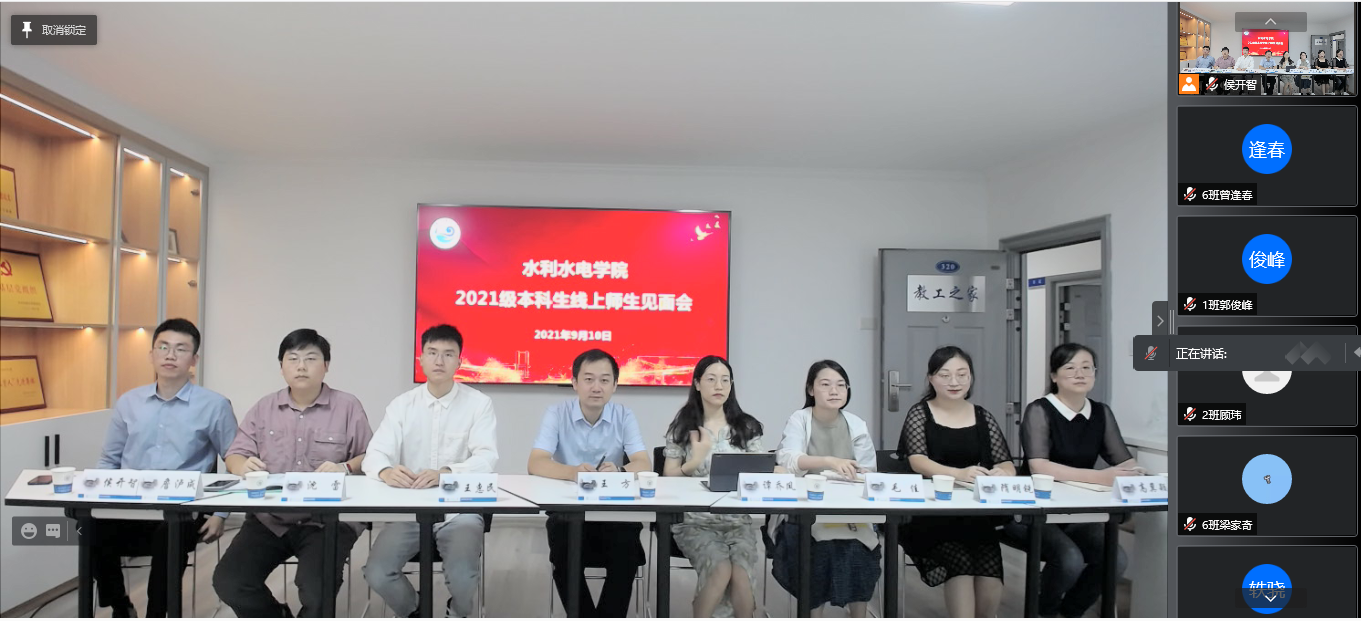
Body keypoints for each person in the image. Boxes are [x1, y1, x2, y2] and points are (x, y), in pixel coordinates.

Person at [214, 329, 373, 618]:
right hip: (270, 518)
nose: (301, 366)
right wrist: (241, 466)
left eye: (311, 358)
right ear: (281, 366)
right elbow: (235, 454)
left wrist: (345, 467)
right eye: (293, 359)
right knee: (230, 581)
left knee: (316, 590)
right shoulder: (265, 408)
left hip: (327, 521)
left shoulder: (347, 406)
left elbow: (371, 456)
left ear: (326, 365)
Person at [92, 318, 238, 618]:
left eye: (181, 349)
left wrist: (220, 514)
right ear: (151, 354)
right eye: (163, 347)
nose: (170, 355)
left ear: (194, 360)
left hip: (183, 510)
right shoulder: (129, 402)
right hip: (130, 505)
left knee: (168, 536)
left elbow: (236, 461)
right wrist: (96, 500)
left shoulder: (214, 405)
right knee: (88, 527)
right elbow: (109, 460)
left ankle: (157, 614)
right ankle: (120, 604)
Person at [362, 324, 498, 618]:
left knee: (463, 577)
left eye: (448, 354)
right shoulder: (402, 405)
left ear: (459, 361)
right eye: (432, 353)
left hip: (460, 510)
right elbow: (374, 454)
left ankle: (456, 611)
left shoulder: (478, 404)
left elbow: (487, 458)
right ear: (421, 359)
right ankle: (415, 609)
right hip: (409, 509)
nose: (439, 361)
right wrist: (385, 471)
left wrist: (448, 472)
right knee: (377, 571)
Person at [1002, 343, 1140, 619]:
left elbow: (1123, 461)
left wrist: (1139, 474)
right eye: (1070, 368)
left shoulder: (1100, 412)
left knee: (1115, 560)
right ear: (1054, 376)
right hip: (1032, 512)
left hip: (1076, 513)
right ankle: (1043, 613)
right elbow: (1039, 466)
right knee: (1069, 559)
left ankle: (1069, 613)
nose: (1080, 374)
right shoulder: (1040, 410)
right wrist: (1101, 477)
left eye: (1087, 368)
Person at [528, 349, 651, 617]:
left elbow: (643, 463)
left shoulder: (624, 415)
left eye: (605, 380)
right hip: (568, 510)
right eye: (589, 379)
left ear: (615, 385)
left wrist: (619, 471)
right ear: (574, 383)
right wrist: (573, 472)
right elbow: (536, 462)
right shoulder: (556, 413)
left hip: (613, 510)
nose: (597, 387)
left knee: (627, 554)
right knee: (564, 555)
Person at [898, 346, 1015, 618]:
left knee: (989, 577)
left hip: (976, 516)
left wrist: (1003, 473)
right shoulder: (920, 413)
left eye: (962, 374)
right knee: (961, 567)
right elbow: (918, 461)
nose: (954, 381)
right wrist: (959, 474)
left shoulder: (982, 416)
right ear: (931, 378)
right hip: (932, 516)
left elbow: (1005, 462)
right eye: (945, 375)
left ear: (971, 378)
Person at [772, 360, 880, 617]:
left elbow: (869, 471)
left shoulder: (856, 424)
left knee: (861, 551)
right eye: (825, 384)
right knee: (818, 553)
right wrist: (829, 461)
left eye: (841, 385)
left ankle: (859, 615)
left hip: (850, 512)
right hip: (806, 512)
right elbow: (788, 460)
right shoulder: (800, 419)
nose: (834, 391)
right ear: (811, 389)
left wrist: (858, 473)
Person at [662, 356, 765, 618]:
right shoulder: (683, 428)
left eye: (725, 380)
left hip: (737, 521)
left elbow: (760, 471)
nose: (719, 386)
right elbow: (668, 477)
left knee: (741, 573)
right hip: (694, 521)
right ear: (697, 384)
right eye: (711, 379)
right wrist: (694, 462)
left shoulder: (746, 427)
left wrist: (775, 470)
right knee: (721, 569)